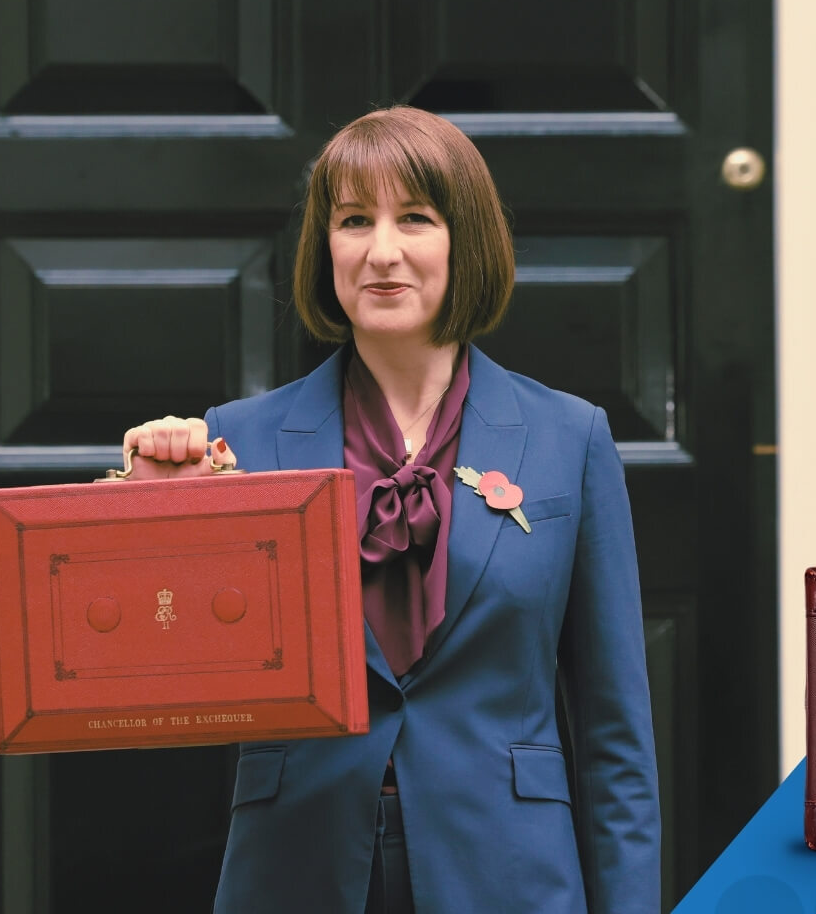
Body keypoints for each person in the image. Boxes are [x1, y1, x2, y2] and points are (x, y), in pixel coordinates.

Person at [123, 106, 659, 914]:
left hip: (509, 872)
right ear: (325, 248)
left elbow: (616, 735)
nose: (381, 251)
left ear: (465, 241)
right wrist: (153, 513)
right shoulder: (239, 439)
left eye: (414, 218)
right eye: (352, 221)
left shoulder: (569, 438)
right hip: (296, 871)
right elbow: (167, 676)